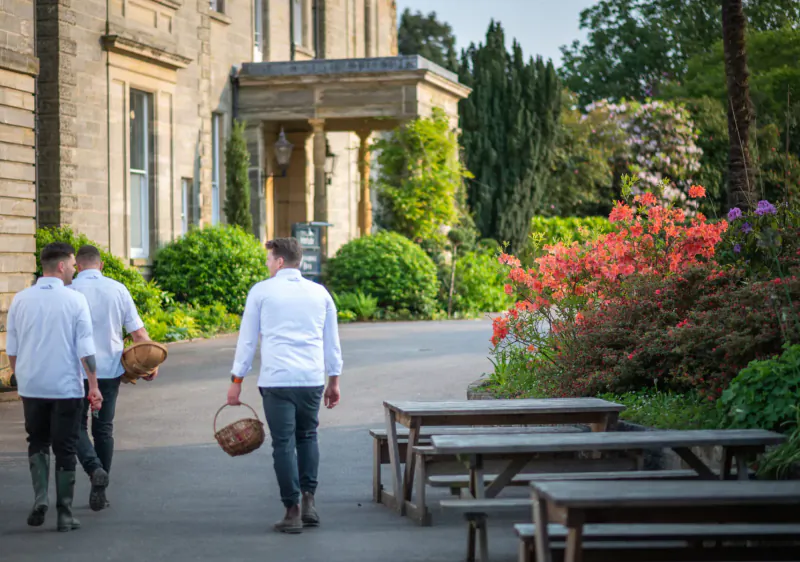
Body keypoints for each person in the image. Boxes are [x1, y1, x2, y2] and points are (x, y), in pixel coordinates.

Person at [226, 237, 343, 534]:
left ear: (279, 261)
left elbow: (248, 340)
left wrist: (237, 381)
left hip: (277, 380)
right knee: (307, 436)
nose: (267, 265)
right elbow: (332, 342)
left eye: (268, 260)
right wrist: (334, 381)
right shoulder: (320, 294)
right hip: (311, 379)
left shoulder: (262, 292)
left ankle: (291, 511)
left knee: (283, 444)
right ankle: (309, 501)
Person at [6, 242, 102, 532]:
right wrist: (94, 385)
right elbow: (85, 349)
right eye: (72, 264)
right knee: (65, 447)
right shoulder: (74, 300)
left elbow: (12, 347)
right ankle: (64, 513)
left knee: (37, 441)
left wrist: (18, 375)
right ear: (61, 266)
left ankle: (39, 498)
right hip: (65, 387)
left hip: (32, 385)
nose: (74, 268)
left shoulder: (20, 300)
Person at [70, 244, 156, 512]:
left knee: (74, 426)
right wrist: (151, 365)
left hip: (74, 371)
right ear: (101, 265)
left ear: (78, 266)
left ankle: (94, 469)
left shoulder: (69, 291)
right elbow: (139, 334)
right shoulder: (117, 289)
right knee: (103, 428)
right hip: (108, 370)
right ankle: (101, 488)